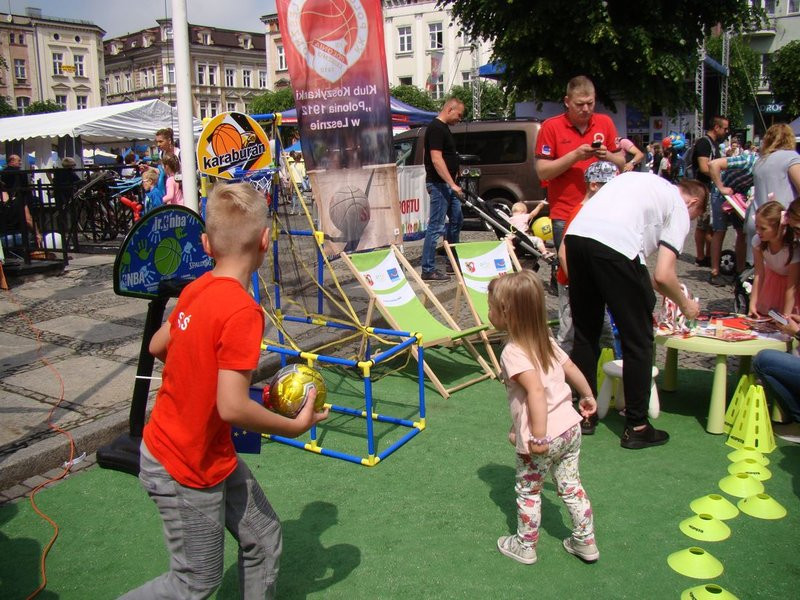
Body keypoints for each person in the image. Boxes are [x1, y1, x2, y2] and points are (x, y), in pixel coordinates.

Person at [121, 182, 329, 599]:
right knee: (194, 583)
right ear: (266, 241)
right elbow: (231, 406)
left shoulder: (196, 288)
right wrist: (292, 427)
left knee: (264, 536)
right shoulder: (242, 312)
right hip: (182, 465)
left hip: (205, 450)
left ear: (205, 243)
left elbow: (158, 345)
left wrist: (200, 377)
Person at [565, 174, 707, 448]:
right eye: (696, 215)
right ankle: (637, 426)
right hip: (614, 246)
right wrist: (687, 305)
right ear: (693, 201)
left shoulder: (640, 180)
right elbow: (663, 276)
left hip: (577, 238)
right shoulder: (678, 207)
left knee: (585, 332)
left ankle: (585, 414)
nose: (690, 222)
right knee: (639, 339)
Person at [487, 270, 597, 566]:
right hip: (570, 429)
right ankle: (585, 541)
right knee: (571, 486)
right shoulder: (544, 338)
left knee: (528, 490)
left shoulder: (512, 351)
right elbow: (570, 366)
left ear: (506, 314)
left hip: (545, 436)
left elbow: (535, 391)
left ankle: (525, 546)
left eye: (491, 308)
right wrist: (586, 395)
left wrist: (537, 436)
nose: (488, 313)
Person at [534, 75, 625, 391]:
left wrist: (607, 156)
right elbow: (543, 171)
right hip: (565, 217)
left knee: (604, 282)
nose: (587, 110)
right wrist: (575, 155)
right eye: (581, 104)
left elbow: (622, 164)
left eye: (591, 103)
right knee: (570, 286)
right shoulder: (551, 127)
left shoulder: (605, 123)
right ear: (567, 102)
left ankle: (600, 354)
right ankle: (567, 356)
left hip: (604, 215)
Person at [421, 97, 465, 281]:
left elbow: (447, 156)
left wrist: (457, 171)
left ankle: (452, 261)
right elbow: (436, 160)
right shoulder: (436, 128)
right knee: (436, 226)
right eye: (459, 115)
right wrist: (452, 183)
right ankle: (428, 268)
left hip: (448, 184)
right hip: (440, 184)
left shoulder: (444, 128)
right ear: (449, 109)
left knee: (457, 219)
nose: (460, 119)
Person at [746, 123, 800, 251]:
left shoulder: (760, 161)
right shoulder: (791, 157)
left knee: (759, 266)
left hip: (757, 220)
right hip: (779, 224)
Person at [707, 151, 757, 281]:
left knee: (742, 232)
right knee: (720, 231)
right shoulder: (749, 161)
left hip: (737, 196)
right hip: (720, 193)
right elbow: (713, 164)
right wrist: (721, 187)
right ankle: (715, 272)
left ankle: (740, 271)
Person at [689, 116, 729, 268]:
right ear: (716, 128)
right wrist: (720, 177)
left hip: (711, 188)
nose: (726, 132)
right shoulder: (704, 143)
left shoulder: (714, 144)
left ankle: (708, 255)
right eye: (724, 128)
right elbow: (704, 167)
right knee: (703, 224)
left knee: (710, 225)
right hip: (704, 189)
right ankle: (701, 256)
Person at [748, 201, 799, 318]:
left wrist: (785, 319)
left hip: (792, 287)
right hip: (772, 280)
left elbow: (792, 288)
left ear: (777, 228)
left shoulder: (792, 249)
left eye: (763, 228)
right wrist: (753, 303)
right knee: (768, 316)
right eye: (756, 226)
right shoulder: (758, 242)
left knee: (787, 319)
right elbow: (759, 274)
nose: (758, 231)